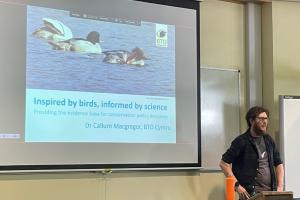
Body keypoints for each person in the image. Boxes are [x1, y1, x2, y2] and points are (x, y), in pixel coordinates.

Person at [219, 106, 284, 200]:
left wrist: (280, 186)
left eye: (266, 119)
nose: (264, 122)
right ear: (251, 120)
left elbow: (279, 164)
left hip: (270, 193)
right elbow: (224, 163)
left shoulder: (269, 140)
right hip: (251, 195)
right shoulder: (241, 141)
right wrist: (237, 185)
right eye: (261, 119)